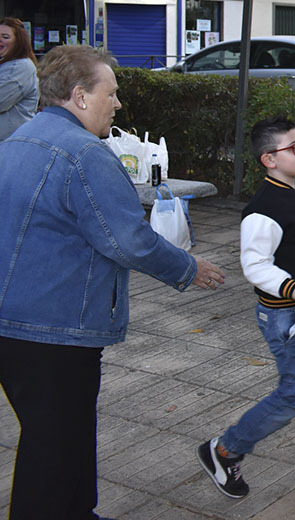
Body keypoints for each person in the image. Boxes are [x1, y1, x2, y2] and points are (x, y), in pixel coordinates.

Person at [0, 45, 225, 520]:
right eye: (112, 93)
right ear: (80, 97)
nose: (118, 104)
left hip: (15, 325)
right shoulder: (85, 154)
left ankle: (80, 510)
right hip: (54, 329)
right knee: (53, 447)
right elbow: (130, 240)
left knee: (61, 434)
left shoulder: (17, 141)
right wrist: (189, 267)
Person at [198, 116, 295, 499]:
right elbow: (255, 266)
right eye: (292, 147)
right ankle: (225, 449)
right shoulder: (263, 209)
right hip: (291, 316)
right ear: (268, 159)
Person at [0, 17, 38, 140]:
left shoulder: (19, 67)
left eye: (5, 37)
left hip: (10, 144)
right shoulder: (5, 64)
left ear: (18, 42)